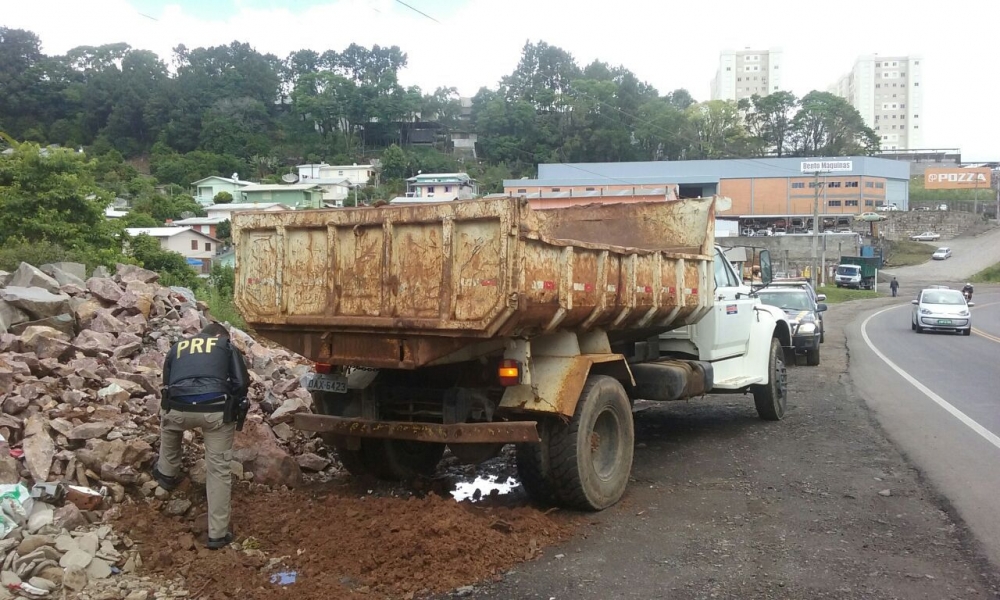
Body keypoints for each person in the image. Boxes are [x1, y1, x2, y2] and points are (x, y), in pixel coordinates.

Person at [154, 322, 250, 549]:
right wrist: (233, 404)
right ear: (219, 336)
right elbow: (241, 383)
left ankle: (166, 473)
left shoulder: (177, 347)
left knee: (168, 424)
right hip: (215, 412)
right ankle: (217, 535)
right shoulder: (225, 345)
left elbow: (166, 384)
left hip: (177, 409)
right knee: (218, 470)